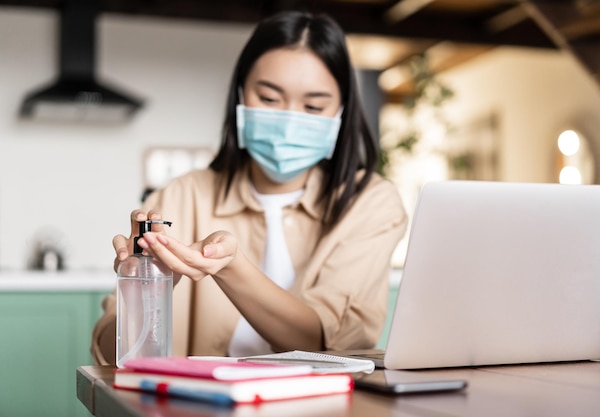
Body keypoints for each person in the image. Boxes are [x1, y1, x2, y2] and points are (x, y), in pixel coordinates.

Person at [90, 10, 407, 365]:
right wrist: (144, 289)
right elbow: (106, 354)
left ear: (341, 112)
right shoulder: (180, 197)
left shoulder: (369, 202)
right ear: (240, 94)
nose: (289, 120)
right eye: (270, 99)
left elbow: (326, 343)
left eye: (314, 106)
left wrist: (230, 267)